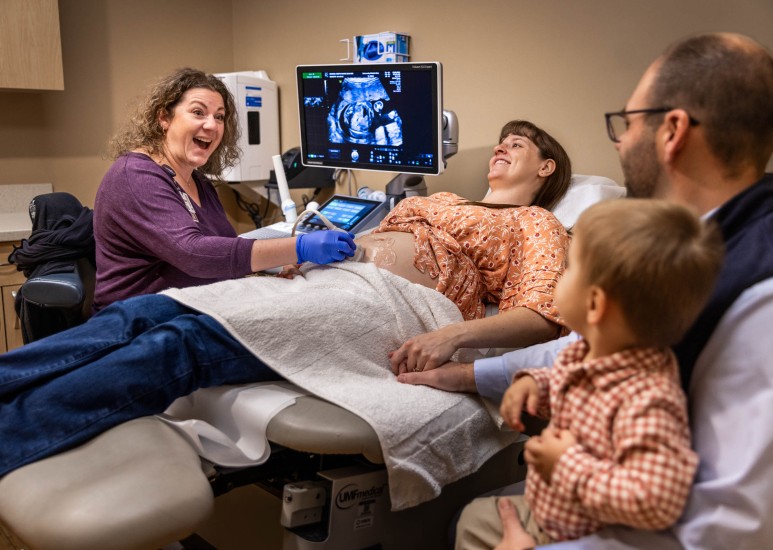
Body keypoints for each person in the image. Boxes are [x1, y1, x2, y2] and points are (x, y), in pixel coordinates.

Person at [0, 120, 573, 478]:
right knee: (148, 311)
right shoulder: (443, 199)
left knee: (183, 344)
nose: (501, 147)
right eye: (501, 140)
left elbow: (541, 318)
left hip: (392, 304)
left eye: (517, 144)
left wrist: (452, 336)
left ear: (545, 168)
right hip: (329, 279)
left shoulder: (536, 223)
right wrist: (302, 253)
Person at [416, 33, 773, 549]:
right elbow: (589, 350)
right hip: (599, 492)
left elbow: (731, 529)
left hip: (640, 515)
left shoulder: (756, 290)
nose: (620, 142)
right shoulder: (691, 244)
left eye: (628, 123)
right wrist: (473, 374)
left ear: (673, 131)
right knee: (468, 520)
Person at [455, 199, 724, 549]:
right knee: (471, 520)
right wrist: (533, 384)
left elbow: (655, 503)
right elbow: (572, 386)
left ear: (594, 304)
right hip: (551, 510)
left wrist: (567, 464)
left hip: (582, 534)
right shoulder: (587, 355)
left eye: (567, 269)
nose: (557, 278)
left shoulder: (648, 400)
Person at [92, 67, 356, 310]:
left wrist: (269, 269)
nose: (212, 125)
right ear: (164, 117)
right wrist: (299, 247)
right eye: (198, 112)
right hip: (138, 321)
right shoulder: (135, 176)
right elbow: (193, 254)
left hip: (198, 307)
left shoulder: (198, 181)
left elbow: (223, 248)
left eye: (219, 117)